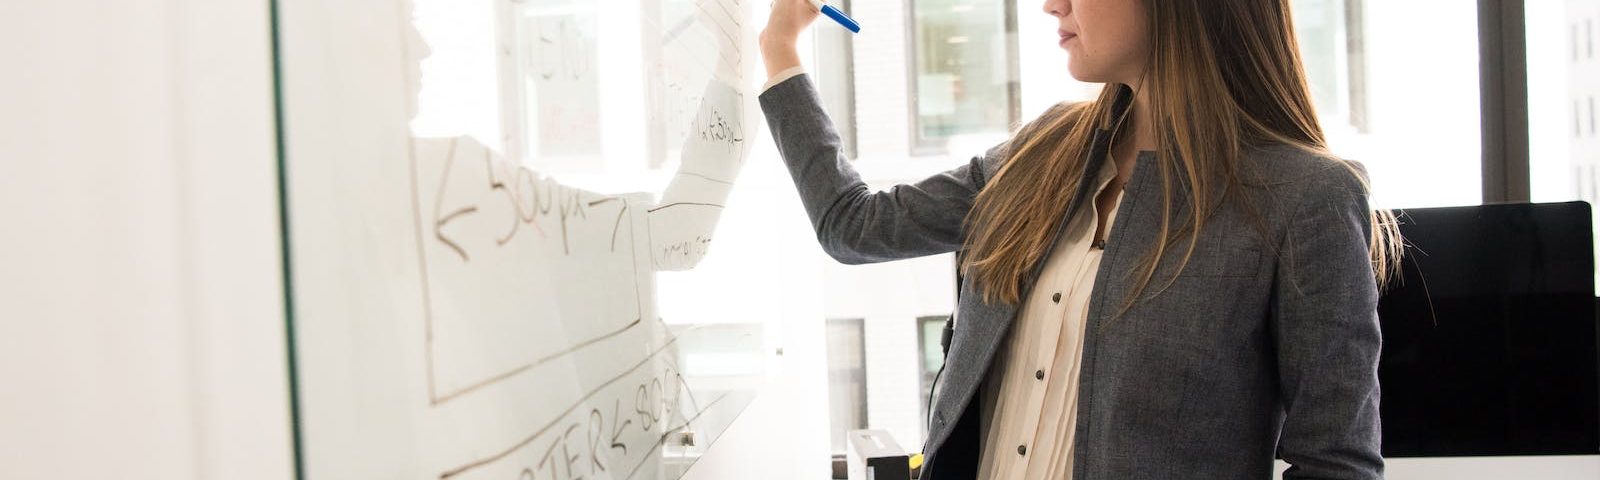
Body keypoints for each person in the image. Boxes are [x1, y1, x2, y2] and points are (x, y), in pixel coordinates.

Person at [757, 0, 1403, 478]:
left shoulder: (1304, 200)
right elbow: (853, 224)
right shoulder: (1041, 153)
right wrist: (779, 46)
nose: (1050, 4)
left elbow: (1336, 466)